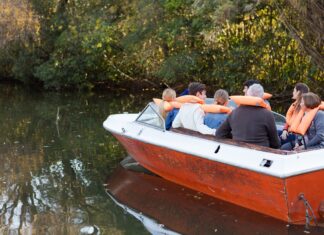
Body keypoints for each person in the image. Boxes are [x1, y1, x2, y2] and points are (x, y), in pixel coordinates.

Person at [216, 84, 280, 148]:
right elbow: (276, 143)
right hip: (260, 153)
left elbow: (219, 133)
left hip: (238, 152)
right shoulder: (267, 114)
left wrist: (234, 138)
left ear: (247, 95)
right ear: (262, 97)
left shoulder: (235, 112)